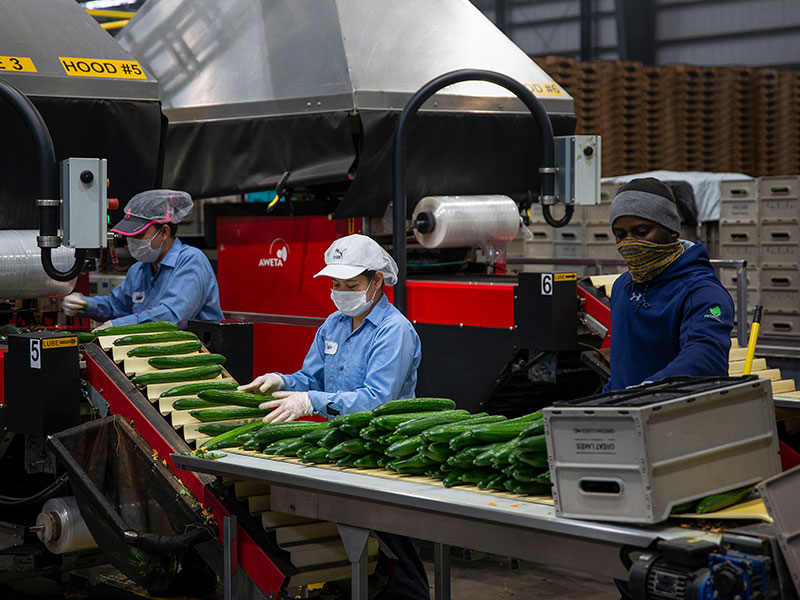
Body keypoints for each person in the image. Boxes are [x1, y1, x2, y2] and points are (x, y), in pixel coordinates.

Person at [239, 233, 429, 600]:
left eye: (351, 284)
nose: (342, 292)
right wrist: (282, 379)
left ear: (376, 281)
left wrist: (311, 401)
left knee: (396, 558)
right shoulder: (334, 323)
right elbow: (312, 378)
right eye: (336, 284)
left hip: (385, 455)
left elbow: (377, 400)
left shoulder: (395, 332)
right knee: (353, 556)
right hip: (342, 452)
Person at [605, 177, 734, 392]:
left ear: (671, 230)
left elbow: (706, 357)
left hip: (674, 416)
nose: (630, 242)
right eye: (621, 235)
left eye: (641, 232)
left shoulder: (702, 292)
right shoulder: (623, 287)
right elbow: (621, 370)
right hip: (625, 415)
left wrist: (647, 391)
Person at [62, 189, 223, 330]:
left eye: (139, 235)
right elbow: (116, 306)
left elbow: (172, 316)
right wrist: (85, 305)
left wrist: (117, 326)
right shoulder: (139, 270)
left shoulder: (191, 261)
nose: (132, 242)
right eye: (129, 237)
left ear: (164, 232)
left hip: (197, 355)